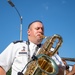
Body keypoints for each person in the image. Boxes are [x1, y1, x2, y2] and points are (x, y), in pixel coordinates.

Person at [0, 20, 65, 75]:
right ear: (29, 32)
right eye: (37, 28)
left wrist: (58, 67)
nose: (40, 31)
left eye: (42, 29)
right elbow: (1, 67)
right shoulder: (16, 45)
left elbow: (62, 71)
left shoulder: (51, 49)